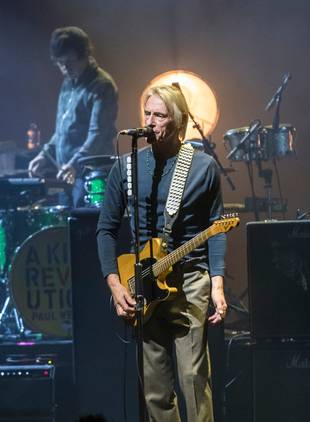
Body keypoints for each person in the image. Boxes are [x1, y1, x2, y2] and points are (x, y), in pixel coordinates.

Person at [96, 85, 228, 421]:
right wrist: (115, 285)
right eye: (148, 114)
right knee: (154, 389)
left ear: (180, 121)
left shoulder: (202, 167)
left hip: (189, 281)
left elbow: (216, 229)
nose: (151, 122)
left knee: (193, 379)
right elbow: (106, 230)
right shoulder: (125, 168)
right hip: (141, 285)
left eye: (160, 115)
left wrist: (217, 284)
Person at [28, 26, 118, 207]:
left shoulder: (102, 86)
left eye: (69, 61)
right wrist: (45, 154)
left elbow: (97, 135)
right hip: (68, 176)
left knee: (87, 231)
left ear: (85, 54)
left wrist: (74, 165)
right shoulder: (68, 84)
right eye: (60, 63)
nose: (64, 68)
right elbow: (62, 131)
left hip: (93, 178)